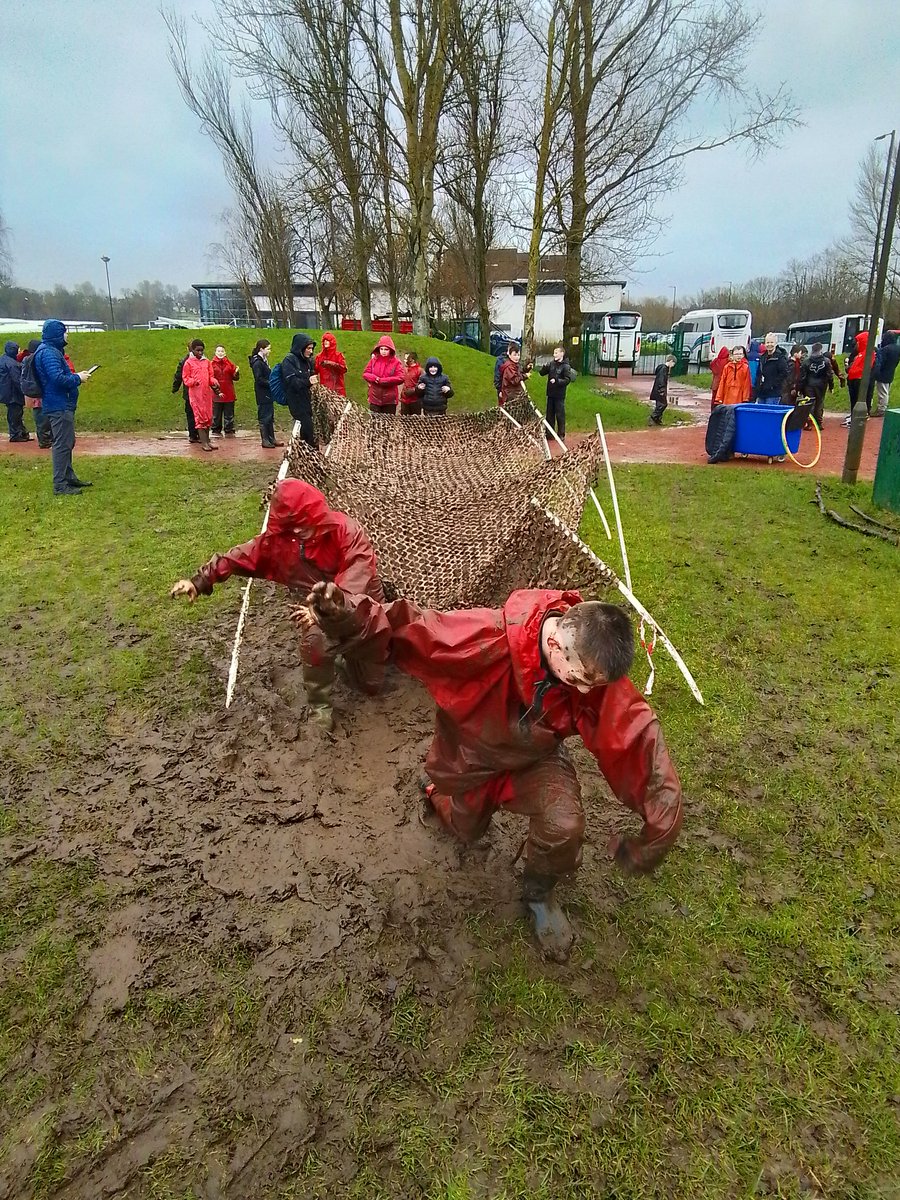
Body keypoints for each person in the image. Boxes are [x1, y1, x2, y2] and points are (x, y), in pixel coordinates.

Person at [298, 581, 683, 963]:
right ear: (554, 646)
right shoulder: (483, 636)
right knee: (466, 829)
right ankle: (436, 791)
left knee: (564, 824)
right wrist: (347, 617)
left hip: (535, 760)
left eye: (592, 685)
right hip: (469, 758)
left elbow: (639, 741)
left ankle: (538, 894)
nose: (584, 692)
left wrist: (655, 836)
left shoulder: (591, 667)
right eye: (579, 680)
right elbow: (410, 628)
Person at [170, 479, 385, 731]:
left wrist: (323, 610)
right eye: (296, 527)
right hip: (315, 610)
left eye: (307, 523)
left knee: (372, 683)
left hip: (359, 606)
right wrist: (199, 581)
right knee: (314, 641)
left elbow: (358, 578)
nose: (303, 531)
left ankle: (348, 658)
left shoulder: (346, 532)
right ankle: (320, 709)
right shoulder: (281, 541)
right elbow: (241, 557)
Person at [31, 319, 93, 495]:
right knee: (61, 444)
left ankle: (68, 477)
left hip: (60, 403)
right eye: (64, 331)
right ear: (56, 334)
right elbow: (57, 379)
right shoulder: (49, 353)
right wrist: (78, 378)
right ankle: (60, 484)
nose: (67, 335)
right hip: (58, 405)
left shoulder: (51, 351)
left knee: (67, 442)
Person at [181, 340, 220, 452]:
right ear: (192, 350)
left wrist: (213, 381)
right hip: (195, 394)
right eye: (197, 350)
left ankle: (208, 441)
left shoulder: (207, 362)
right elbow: (185, 378)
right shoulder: (188, 363)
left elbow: (210, 376)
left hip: (207, 393)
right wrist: (193, 382)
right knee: (200, 418)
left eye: (201, 350)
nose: (200, 352)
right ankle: (203, 443)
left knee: (208, 417)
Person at [282, 333, 319, 447]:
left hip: (307, 399)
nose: (310, 351)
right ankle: (312, 454)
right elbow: (292, 382)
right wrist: (308, 381)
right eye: (308, 348)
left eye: (312, 348)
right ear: (300, 347)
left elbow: (312, 375)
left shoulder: (308, 361)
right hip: (296, 400)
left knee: (307, 429)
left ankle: (304, 453)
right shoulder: (289, 361)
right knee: (308, 428)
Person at [249, 338, 283, 449]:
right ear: (261, 349)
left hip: (267, 392)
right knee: (264, 416)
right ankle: (265, 439)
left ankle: (271, 438)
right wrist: (271, 383)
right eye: (268, 349)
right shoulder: (257, 363)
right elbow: (259, 379)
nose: (270, 351)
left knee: (270, 415)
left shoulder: (263, 360)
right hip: (262, 392)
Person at [18, 340, 51, 447]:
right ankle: (44, 440)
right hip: (40, 391)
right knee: (43, 418)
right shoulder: (35, 359)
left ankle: (44, 439)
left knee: (40, 417)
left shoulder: (26, 359)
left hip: (31, 391)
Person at [539, 346, 577, 437]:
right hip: (550, 393)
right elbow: (541, 373)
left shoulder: (566, 366)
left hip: (559, 395)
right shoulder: (551, 364)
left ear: (562, 354)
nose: (554, 355)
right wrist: (544, 367)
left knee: (560, 415)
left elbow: (567, 380)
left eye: (556, 353)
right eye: (554, 353)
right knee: (549, 415)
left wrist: (557, 381)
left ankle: (561, 434)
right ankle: (549, 434)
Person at [362, 334, 405, 414]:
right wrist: (375, 378)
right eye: (381, 349)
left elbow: (401, 377)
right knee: (375, 423)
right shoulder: (374, 360)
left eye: (386, 349)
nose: (383, 351)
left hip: (389, 400)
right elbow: (365, 373)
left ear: (390, 350)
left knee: (388, 424)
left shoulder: (396, 362)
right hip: (375, 398)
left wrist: (384, 381)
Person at [798, 342, 833, 433]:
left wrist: (800, 388)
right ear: (821, 350)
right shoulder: (826, 361)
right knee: (820, 403)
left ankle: (809, 423)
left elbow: (802, 377)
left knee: (810, 403)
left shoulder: (806, 361)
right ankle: (819, 423)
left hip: (809, 385)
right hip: (821, 385)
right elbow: (829, 375)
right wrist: (831, 386)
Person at [844, 329, 876, 426]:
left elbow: (864, 368)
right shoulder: (860, 354)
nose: (856, 344)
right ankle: (853, 417)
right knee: (853, 401)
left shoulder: (868, 354)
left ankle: (857, 419)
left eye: (858, 342)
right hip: (853, 379)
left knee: (857, 400)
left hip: (858, 380)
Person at [0, 341, 30, 442]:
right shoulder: (12, 364)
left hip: (6, 391)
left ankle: (20, 433)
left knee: (15, 412)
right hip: (12, 392)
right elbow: (17, 380)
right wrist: (24, 390)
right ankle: (16, 434)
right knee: (15, 413)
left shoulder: (4, 359)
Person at [753, 333, 790, 405]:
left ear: (776, 343)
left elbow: (784, 374)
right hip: (762, 393)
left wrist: (772, 385)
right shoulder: (762, 357)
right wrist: (757, 387)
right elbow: (759, 374)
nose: (769, 344)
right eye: (767, 342)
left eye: (772, 342)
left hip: (773, 393)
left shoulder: (780, 358)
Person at [211, 345, 240, 436]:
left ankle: (229, 429)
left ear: (225, 353)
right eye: (218, 351)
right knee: (216, 414)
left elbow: (235, 377)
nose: (220, 353)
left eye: (222, 351)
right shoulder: (211, 364)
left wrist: (236, 373)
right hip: (216, 392)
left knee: (229, 413)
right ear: (215, 353)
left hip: (228, 392)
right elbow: (210, 378)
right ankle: (216, 429)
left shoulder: (230, 364)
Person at [172, 342, 197, 443]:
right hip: (193, 392)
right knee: (195, 414)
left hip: (189, 393)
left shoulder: (184, 361)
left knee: (191, 414)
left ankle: (193, 435)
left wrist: (175, 388)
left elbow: (178, 376)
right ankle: (197, 434)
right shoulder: (187, 361)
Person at [873, 331, 899, 418]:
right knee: (886, 391)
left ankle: (881, 409)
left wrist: (876, 372)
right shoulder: (897, 348)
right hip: (891, 371)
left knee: (882, 392)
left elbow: (880, 362)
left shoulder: (885, 349)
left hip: (882, 373)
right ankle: (883, 407)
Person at [498, 344, 532, 408]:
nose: (517, 357)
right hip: (510, 396)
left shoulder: (515, 364)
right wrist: (525, 376)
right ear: (510, 355)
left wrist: (527, 369)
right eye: (515, 355)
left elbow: (519, 373)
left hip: (515, 394)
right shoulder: (509, 367)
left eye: (518, 355)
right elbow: (515, 380)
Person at [648, 354, 676, 426]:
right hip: (660, 390)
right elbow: (661, 380)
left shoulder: (663, 368)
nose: (673, 365)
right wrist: (662, 390)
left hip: (658, 389)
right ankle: (653, 417)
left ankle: (657, 419)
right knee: (663, 404)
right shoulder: (664, 369)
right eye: (673, 363)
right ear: (671, 361)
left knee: (659, 404)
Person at [708, 346, 730, 411]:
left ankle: (713, 411)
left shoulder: (716, 361)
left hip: (715, 383)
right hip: (722, 383)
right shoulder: (727, 361)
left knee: (714, 398)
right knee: (721, 399)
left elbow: (711, 366)